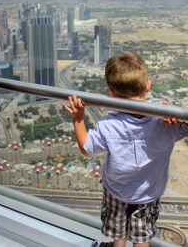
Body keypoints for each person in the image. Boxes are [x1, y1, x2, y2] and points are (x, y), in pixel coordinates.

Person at [63, 52, 188, 247]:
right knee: (142, 239)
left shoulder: (108, 125)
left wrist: (78, 119)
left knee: (118, 235)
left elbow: (87, 149)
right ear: (148, 85)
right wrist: (177, 116)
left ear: (111, 92)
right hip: (148, 194)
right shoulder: (165, 124)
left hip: (117, 191)